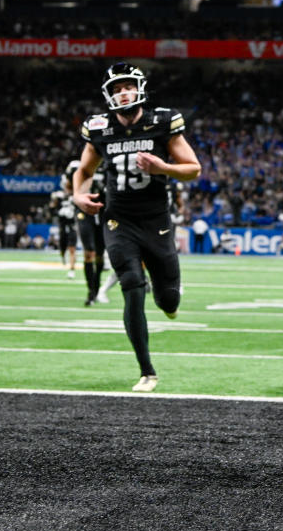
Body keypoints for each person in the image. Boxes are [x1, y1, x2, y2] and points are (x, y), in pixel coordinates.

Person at [72, 62, 200, 392]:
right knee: (131, 284)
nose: (122, 92)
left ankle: (169, 297)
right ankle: (147, 370)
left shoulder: (162, 122)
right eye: (116, 89)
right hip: (118, 219)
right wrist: (78, 196)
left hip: (156, 219)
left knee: (168, 300)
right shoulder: (99, 127)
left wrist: (162, 166)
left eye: (127, 86)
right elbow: (84, 171)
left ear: (139, 88)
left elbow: (193, 169)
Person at [68, 159, 110, 306]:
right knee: (89, 252)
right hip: (84, 212)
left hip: (103, 212)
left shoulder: (109, 165)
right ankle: (91, 292)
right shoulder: (80, 167)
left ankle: (96, 289)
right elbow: (68, 187)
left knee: (99, 255)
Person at [50, 176, 78, 278]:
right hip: (62, 226)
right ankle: (63, 258)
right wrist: (56, 207)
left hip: (72, 226)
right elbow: (52, 209)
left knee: (72, 249)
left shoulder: (75, 196)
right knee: (62, 248)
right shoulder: (59, 196)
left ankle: (71, 270)